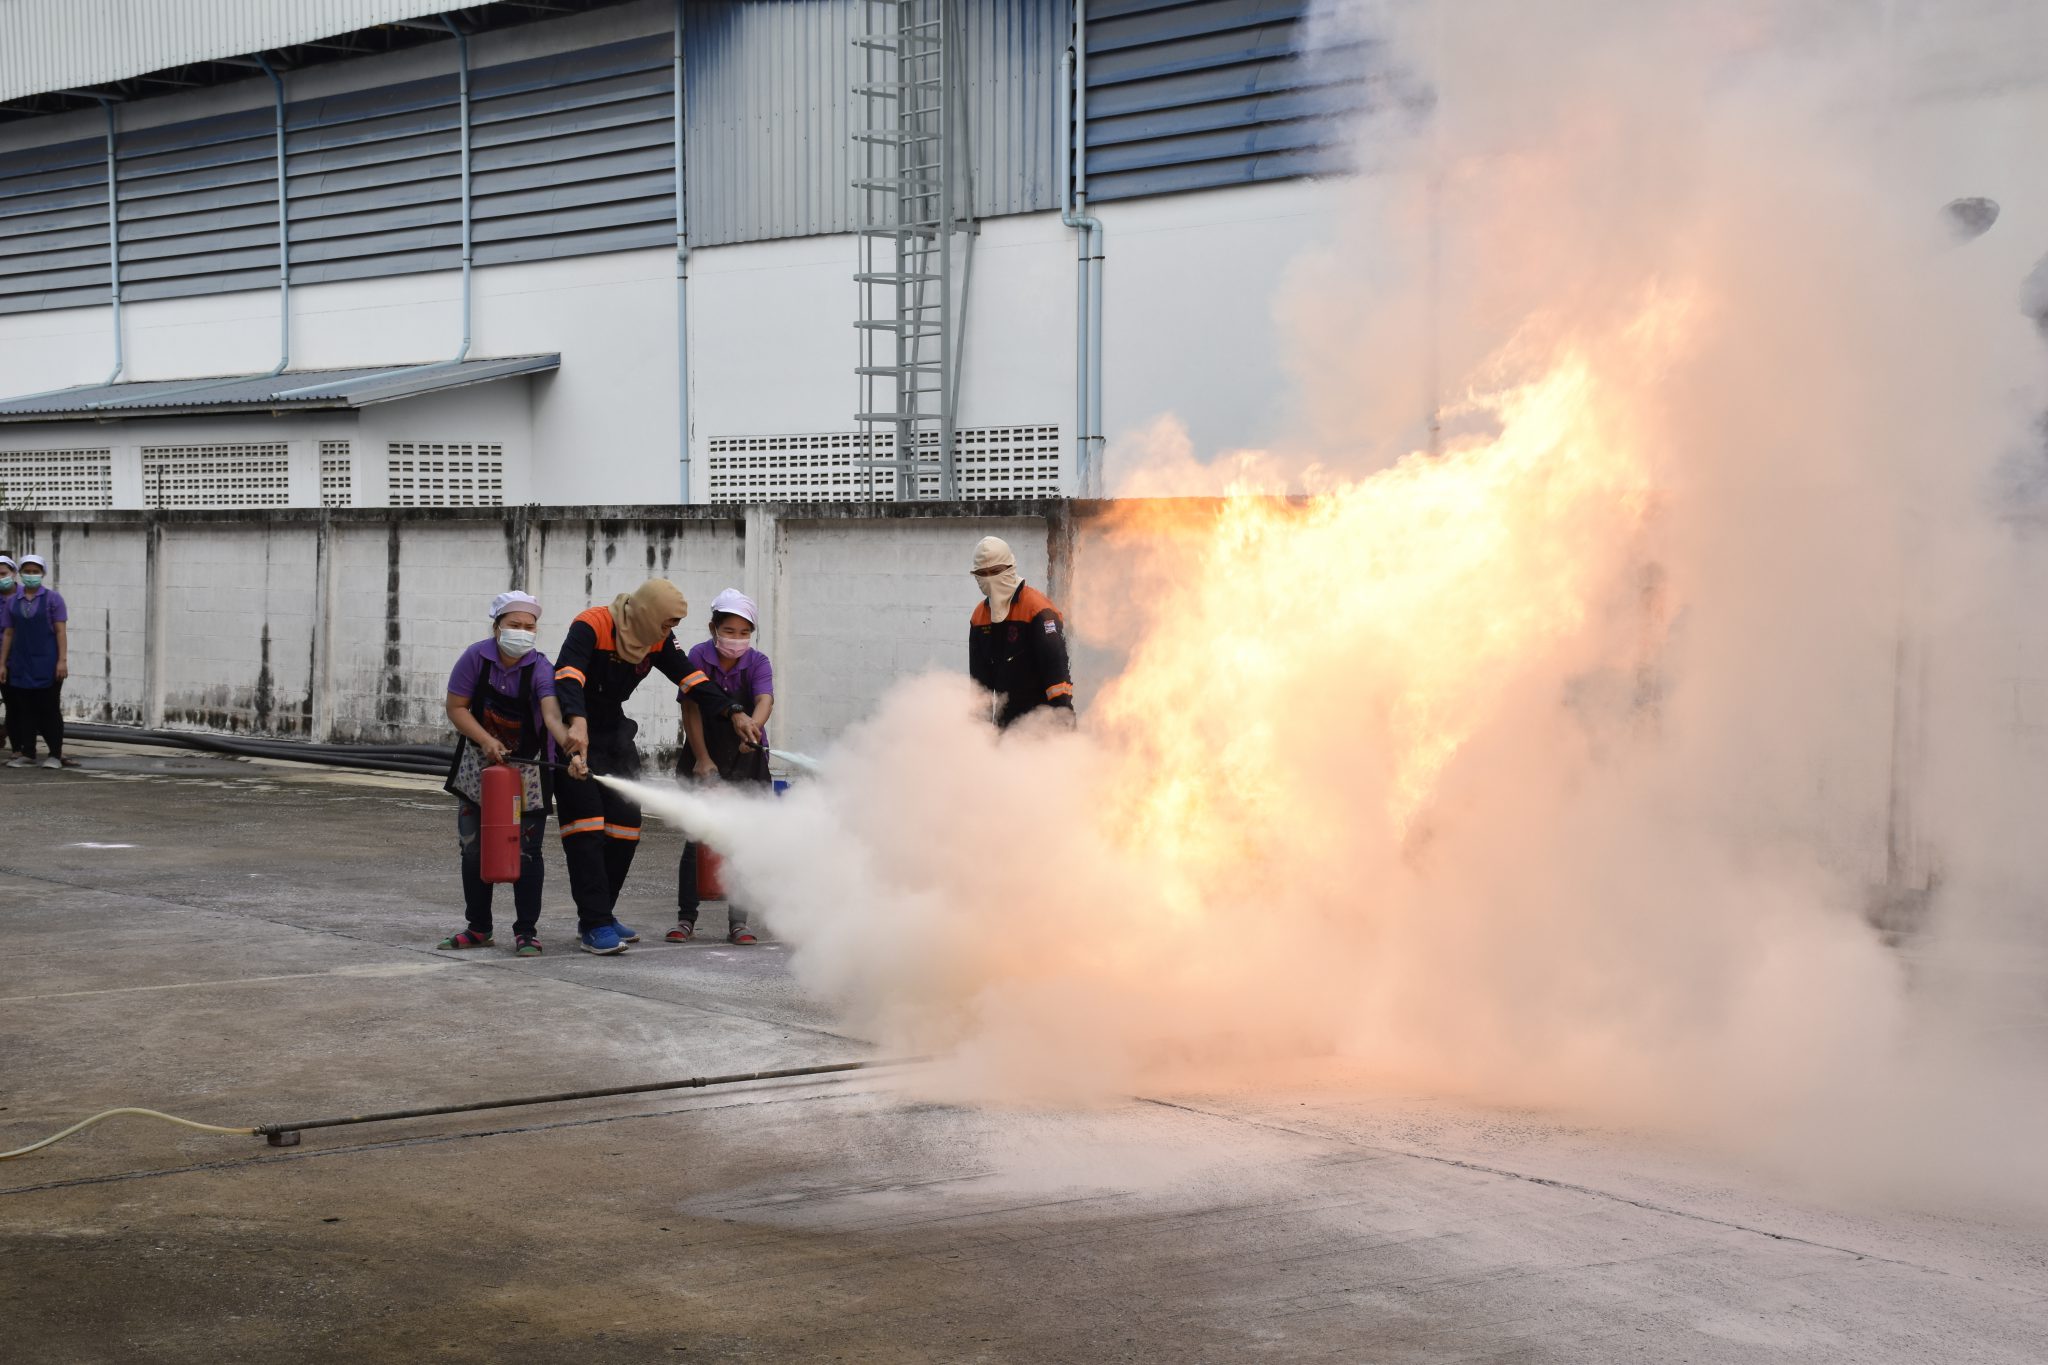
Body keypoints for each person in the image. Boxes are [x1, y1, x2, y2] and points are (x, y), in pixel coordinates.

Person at [552, 579, 761, 955]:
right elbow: (568, 674)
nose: (668, 634)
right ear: (647, 613)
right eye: (666, 625)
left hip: (613, 732)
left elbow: (691, 678)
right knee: (586, 829)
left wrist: (733, 712)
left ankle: (602, 913)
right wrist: (575, 722)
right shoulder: (592, 624)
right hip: (573, 732)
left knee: (626, 827)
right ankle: (594, 924)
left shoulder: (656, 638)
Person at [436, 591, 575, 957]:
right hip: (477, 769)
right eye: (515, 625)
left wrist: (572, 747)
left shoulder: (541, 668)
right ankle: (478, 927)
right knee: (473, 850)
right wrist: (485, 740)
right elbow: (456, 707)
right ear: (497, 627)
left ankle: (526, 931)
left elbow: (551, 716)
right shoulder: (475, 658)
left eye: (529, 627)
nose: (523, 632)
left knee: (527, 852)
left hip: (528, 770)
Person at [671, 588, 774, 945]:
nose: (736, 639)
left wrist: (753, 729)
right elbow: (691, 708)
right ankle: (686, 919)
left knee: (740, 840)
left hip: (747, 756)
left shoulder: (758, 662)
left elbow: (765, 699)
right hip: (704, 751)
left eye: (744, 632)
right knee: (695, 839)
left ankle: (738, 923)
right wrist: (702, 758)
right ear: (713, 627)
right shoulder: (698, 656)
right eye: (729, 631)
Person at [967, 535, 1074, 728]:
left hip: (1042, 725)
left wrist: (1065, 727)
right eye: (983, 573)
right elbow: (980, 689)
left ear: (1010, 568)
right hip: (1005, 729)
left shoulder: (1038, 611)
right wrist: (979, 739)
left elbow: (1057, 677)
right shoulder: (979, 617)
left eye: (996, 571)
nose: (990, 579)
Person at [0, 554, 70, 769]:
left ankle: (55, 755)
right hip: (21, 663)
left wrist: (62, 661)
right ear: (20, 574)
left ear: (42, 573)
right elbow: (9, 633)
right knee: (25, 709)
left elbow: (60, 632)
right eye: (27, 572)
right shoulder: (14, 602)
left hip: (47, 663)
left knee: (49, 709)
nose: (31, 575)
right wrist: (2, 663)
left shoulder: (52, 599)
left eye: (35, 571)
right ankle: (27, 752)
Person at [0, 555, 17, 760]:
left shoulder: (25, 596)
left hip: (18, 659)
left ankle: (18, 747)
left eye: (3, 574)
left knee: (16, 704)